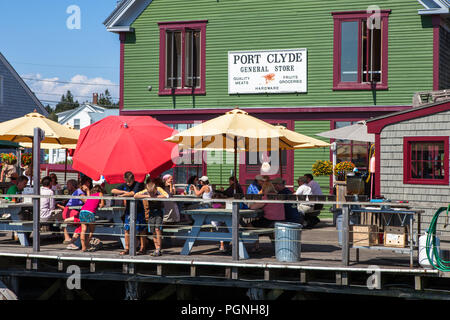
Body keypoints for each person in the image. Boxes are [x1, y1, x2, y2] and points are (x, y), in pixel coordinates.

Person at [111, 171, 146, 256]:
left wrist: (123, 196)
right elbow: (113, 190)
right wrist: (124, 192)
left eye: (129, 182)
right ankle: (127, 248)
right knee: (127, 229)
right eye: (126, 181)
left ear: (133, 179)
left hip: (139, 210)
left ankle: (142, 248)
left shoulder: (138, 184)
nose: (128, 183)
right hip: (128, 211)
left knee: (141, 229)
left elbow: (133, 193)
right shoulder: (124, 185)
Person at [134, 178, 169, 256]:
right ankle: (156, 248)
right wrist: (147, 195)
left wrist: (156, 197)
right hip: (151, 212)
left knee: (157, 229)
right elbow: (135, 195)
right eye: (150, 193)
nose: (152, 194)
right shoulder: (146, 191)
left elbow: (166, 195)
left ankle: (159, 248)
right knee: (153, 230)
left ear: (155, 189)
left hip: (158, 211)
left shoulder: (159, 189)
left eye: (153, 192)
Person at [249, 182, 285, 253]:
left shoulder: (266, 197)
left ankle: (256, 246)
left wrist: (251, 205)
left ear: (265, 189)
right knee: (270, 231)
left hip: (270, 221)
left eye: (262, 189)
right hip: (281, 221)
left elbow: (252, 207)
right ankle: (276, 248)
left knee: (250, 225)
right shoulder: (278, 196)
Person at [59, 179, 86, 248]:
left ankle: (74, 242)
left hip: (69, 212)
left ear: (72, 185)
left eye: (68, 184)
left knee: (82, 223)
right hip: (70, 212)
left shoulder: (77, 191)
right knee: (84, 222)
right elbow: (86, 201)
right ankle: (74, 242)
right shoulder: (77, 191)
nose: (67, 186)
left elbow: (85, 200)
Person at [79, 184, 105, 252]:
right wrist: (99, 205)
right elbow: (102, 205)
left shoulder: (90, 195)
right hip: (90, 212)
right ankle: (87, 243)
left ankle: (83, 247)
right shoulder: (100, 194)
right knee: (91, 230)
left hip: (82, 211)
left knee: (83, 230)